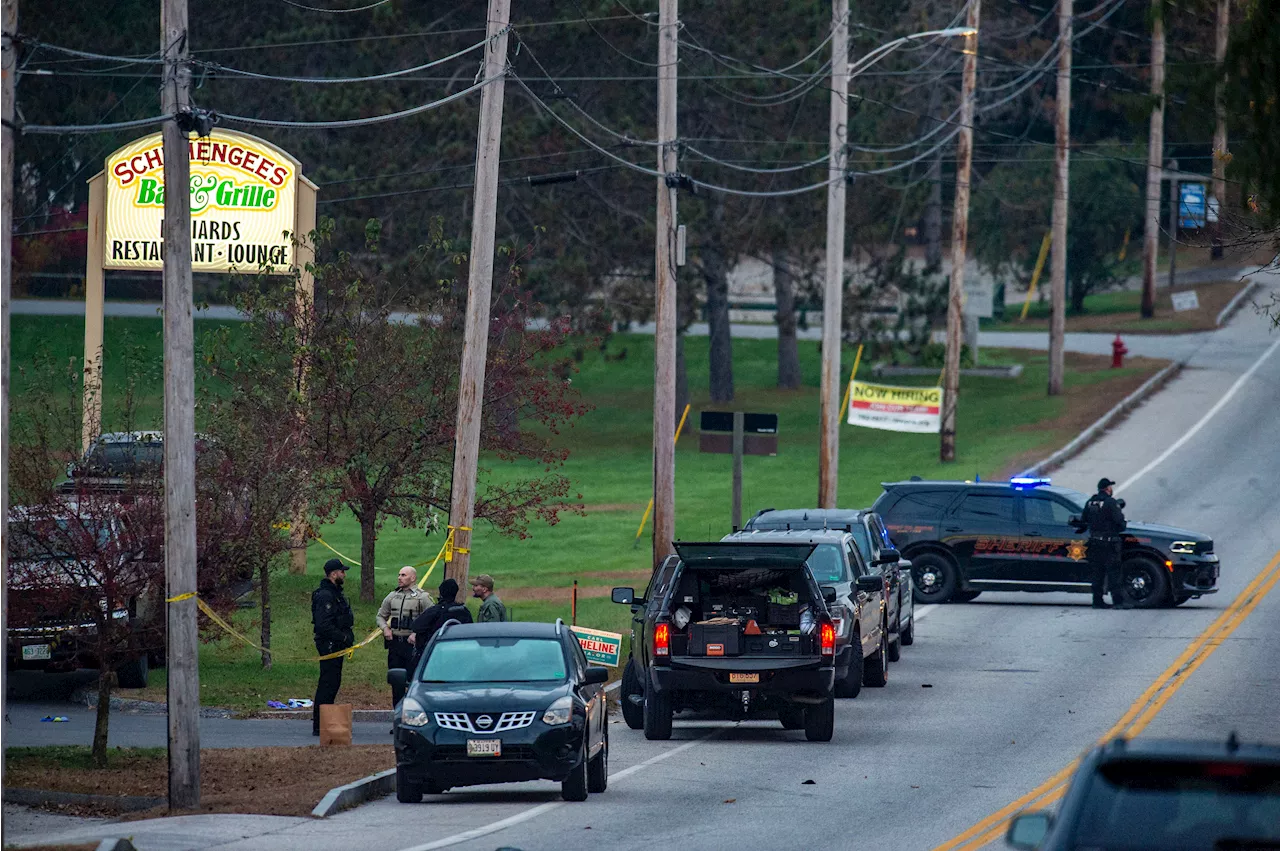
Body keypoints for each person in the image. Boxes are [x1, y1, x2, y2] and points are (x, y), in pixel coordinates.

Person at [312, 558, 355, 736]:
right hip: (329, 645)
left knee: (333, 683)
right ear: (333, 574)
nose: (344, 575)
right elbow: (323, 625)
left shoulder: (335, 593)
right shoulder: (325, 596)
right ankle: (320, 725)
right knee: (328, 684)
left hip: (337, 645)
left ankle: (324, 722)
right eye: (342, 572)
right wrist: (343, 637)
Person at [377, 565, 430, 707]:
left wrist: (416, 633)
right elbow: (380, 616)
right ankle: (397, 717)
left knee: (413, 682)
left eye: (403, 575)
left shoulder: (422, 597)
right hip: (395, 645)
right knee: (396, 682)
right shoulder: (392, 596)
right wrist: (385, 629)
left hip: (412, 647)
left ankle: (413, 716)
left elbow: (431, 618)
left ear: (413, 578)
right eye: (399, 575)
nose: (399, 578)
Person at [1082, 477, 1128, 609]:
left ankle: (1097, 601)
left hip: (1094, 542)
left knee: (1097, 573)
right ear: (1108, 489)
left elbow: (1084, 519)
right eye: (1110, 487)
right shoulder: (1111, 503)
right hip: (1109, 544)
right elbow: (1120, 523)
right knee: (1114, 572)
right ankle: (1118, 602)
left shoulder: (1090, 502)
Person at [408, 578, 473, 664]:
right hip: (459, 652)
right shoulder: (463, 610)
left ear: (441, 592)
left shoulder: (435, 611)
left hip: (436, 653)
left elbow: (416, 626)